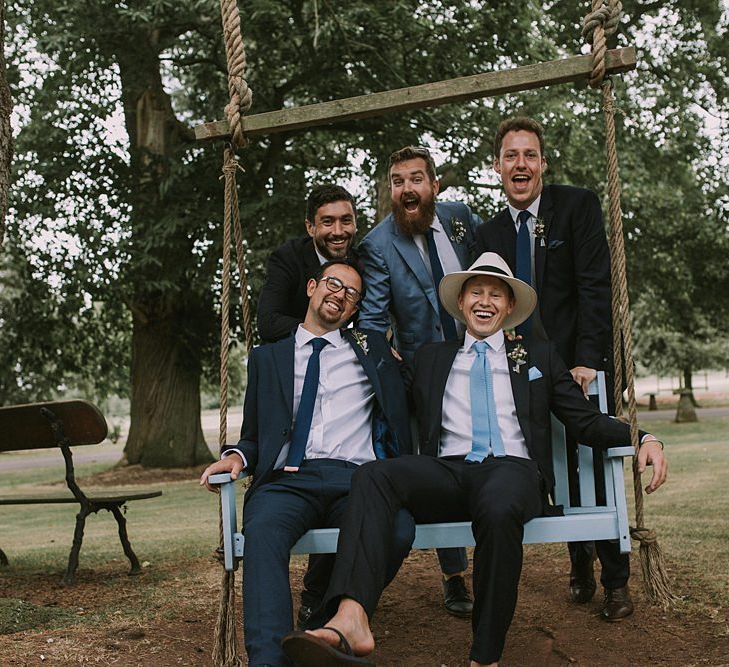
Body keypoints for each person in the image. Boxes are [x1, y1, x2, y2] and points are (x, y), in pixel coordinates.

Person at [282, 253, 667, 667]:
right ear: (462, 304)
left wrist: (643, 436)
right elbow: (381, 394)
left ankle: (485, 657)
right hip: (450, 470)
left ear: (509, 307)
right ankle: (351, 616)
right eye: (476, 293)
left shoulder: (537, 356)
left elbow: (584, 421)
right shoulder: (431, 357)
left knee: (499, 503)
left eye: (496, 295)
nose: (485, 301)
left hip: (513, 471)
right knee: (375, 476)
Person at [201, 259, 415, 667]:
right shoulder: (268, 357)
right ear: (312, 287)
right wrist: (236, 455)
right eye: (334, 284)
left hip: (357, 480)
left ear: (353, 312)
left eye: (351, 294)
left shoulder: (372, 351)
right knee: (263, 531)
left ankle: (328, 625)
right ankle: (269, 660)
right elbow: (254, 432)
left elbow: (422, 385)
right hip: (286, 480)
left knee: (399, 527)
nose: (340, 295)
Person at [473, 116, 628, 619]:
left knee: (594, 467)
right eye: (511, 156)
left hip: (575, 363)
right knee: (551, 466)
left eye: (530, 155)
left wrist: (588, 359)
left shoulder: (576, 206)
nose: (521, 164)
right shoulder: (489, 232)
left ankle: (616, 579)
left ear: (542, 163)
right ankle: (578, 560)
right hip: (520, 371)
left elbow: (594, 287)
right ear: (498, 167)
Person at [356, 145, 483, 616]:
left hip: (479, 363)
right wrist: (387, 352)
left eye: (415, 178)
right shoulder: (377, 244)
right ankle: (455, 575)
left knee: (488, 457)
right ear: (391, 189)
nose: (407, 188)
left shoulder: (460, 219)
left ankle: (491, 557)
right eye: (397, 181)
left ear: (433, 184)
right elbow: (370, 321)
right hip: (423, 377)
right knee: (440, 464)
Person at [257, 184, 359, 343]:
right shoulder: (287, 258)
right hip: (290, 353)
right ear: (310, 227)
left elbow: (367, 321)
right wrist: (328, 329)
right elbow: (268, 324)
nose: (338, 231)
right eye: (328, 222)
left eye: (346, 221)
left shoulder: (361, 265)